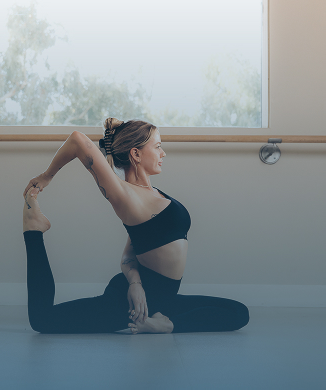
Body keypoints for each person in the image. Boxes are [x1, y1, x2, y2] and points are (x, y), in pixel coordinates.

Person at [23, 118, 249, 334]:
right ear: (136, 154)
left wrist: (135, 282)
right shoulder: (125, 195)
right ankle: (34, 230)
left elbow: (130, 256)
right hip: (129, 305)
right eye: (158, 147)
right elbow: (77, 140)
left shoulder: (152, 193)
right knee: (43, 319)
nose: (163, 153)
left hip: (159, 297)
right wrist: (46, 176)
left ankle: (164, 323)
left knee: (239, 312)